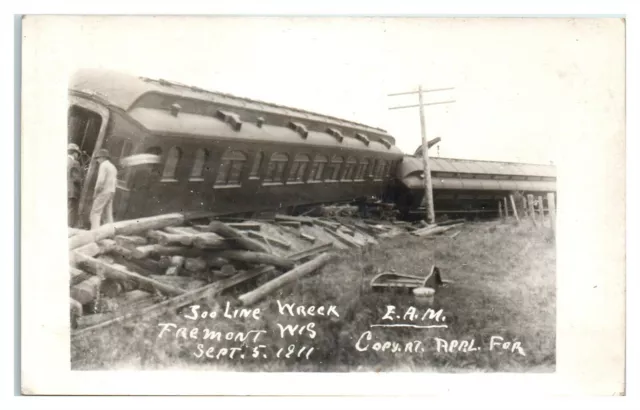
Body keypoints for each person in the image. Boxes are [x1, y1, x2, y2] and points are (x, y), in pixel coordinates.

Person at [90, 148, 118, 230]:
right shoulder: (113, 167)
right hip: (111, 191)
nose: (97, 160)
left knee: (95, 212)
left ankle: (94, 233)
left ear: (102, 157)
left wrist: (95, 193)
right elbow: (115, 182)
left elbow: (100, 181)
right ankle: (110, 232)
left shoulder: (103, 165)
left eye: (98, 158)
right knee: (108, 213)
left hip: (103, 191)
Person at [67, 143, 83, 227]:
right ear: (74, 153)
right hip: (72, 191)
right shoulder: (75, 163)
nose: (78, 155)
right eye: (78, 153)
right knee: (70, 211)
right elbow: (77, 179)